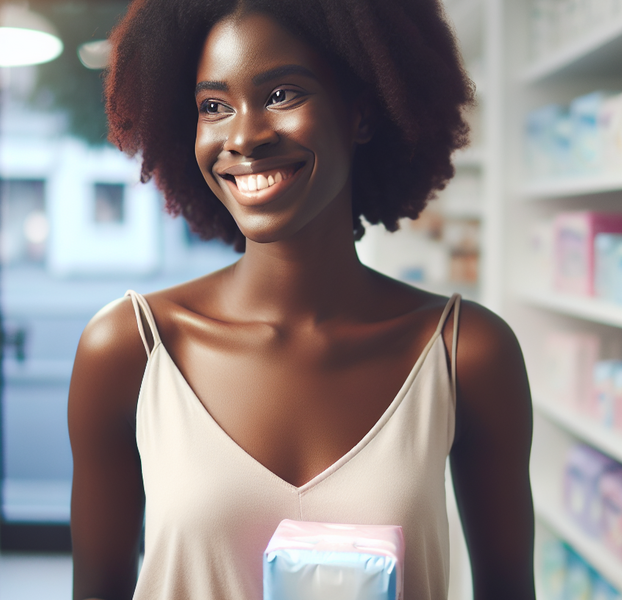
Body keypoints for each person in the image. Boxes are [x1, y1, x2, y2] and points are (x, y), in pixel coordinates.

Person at [68, 0, 535, 598]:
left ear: (362, 112)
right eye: (214, 106)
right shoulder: (130, 349)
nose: (243, 136)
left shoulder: (465, 352)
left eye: (283, 94)